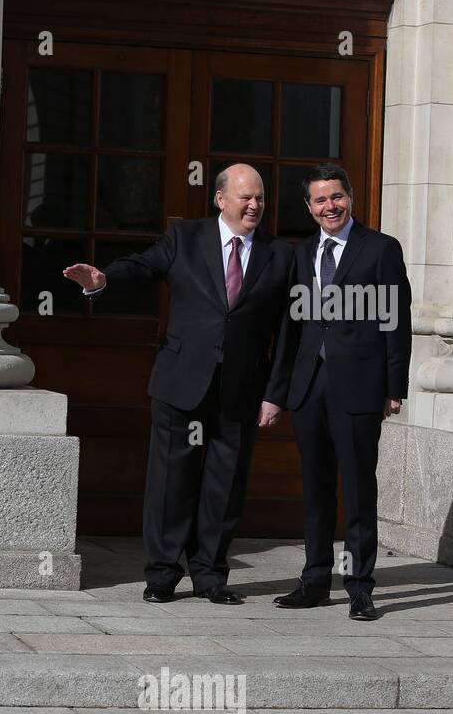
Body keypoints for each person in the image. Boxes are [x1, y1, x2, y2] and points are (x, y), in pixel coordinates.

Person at [63, 163, 293, 604]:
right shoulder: (186, 238)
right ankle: (163, 574)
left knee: (224, 486)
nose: (254, 205)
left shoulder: (279, 254)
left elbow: (285, 332)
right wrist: (103, 279)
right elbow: (144, 265)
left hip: (240, 390)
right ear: (221, 199)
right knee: (172, 481)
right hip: (181, 381)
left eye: (260, 197)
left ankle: (210, 576)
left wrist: (275, 394)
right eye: (245, 196)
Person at [270, 163, 411, 620]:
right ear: (309, 207)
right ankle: (314, 580)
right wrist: (279, 390)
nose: (330, 206)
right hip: (310, 386)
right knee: (315, 489)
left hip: (360, 386)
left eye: (337, 196)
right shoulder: (302, 252)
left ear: (350, 196)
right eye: (320, 200)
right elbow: (290, 329)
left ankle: (360, 587)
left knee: (357, 488)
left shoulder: (380, 248)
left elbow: (395, 320)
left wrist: (394, 387)